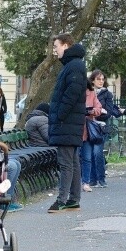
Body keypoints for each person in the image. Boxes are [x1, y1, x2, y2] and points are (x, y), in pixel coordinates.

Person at [47, 33, 87, 213]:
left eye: (56, 47)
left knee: (66, 162)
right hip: (69, 122)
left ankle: (62, 199)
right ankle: (73, 199)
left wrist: (60, 115)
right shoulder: (74, 65)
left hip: (67, 122)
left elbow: (72, 92)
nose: (55, 51)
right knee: (72, 161)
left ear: (66, 45)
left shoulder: (74, 66)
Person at [90, 70, 122, 188]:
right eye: (98, 79)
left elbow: (108, 112)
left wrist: (94, 113)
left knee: (97, 152)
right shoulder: (88, 92)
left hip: (100, 126)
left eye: (103, 79)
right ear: (92, 80)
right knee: (89, 154)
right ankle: (92, 179)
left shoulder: (107, 94)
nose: (101, 81)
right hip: (88, 126)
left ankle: (101, 179)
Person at [80, 80, 103, 192]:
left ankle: (86, 182)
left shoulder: (91, 93)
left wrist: (91, 111)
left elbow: (99, 108)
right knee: (74, 158)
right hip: (75, 130)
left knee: (87, 158)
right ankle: (74, 182)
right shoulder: (72, 92)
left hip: (88, 130)